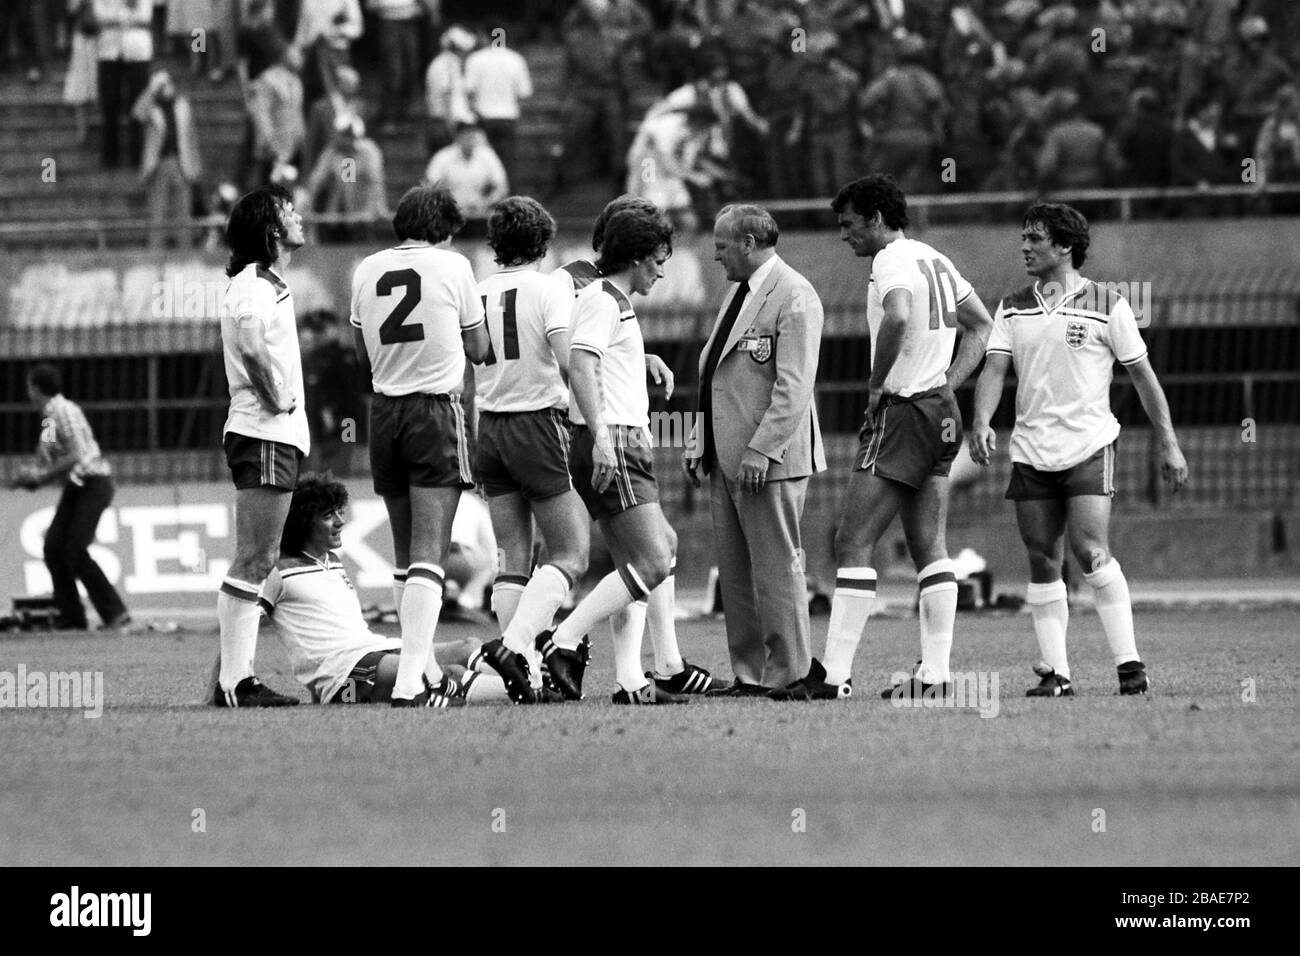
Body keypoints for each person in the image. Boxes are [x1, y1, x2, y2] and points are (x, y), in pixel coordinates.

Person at [771, 174, 994, 702]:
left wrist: (877, 385)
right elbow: (982, 325)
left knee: (852, 540)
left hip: (903, 411)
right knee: (929, 545)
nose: (843, 234)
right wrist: (948, 383)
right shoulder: (936, 258)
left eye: (849, 224)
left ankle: (834, 676)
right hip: (939, 410)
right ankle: (936, 674)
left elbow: (896, 316)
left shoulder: (890, 260)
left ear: (876, 218)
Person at [969, 203, 1189, 698]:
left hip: (1089, 445)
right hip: (1030, 451)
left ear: (1065, 246)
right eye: (1024, 237)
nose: (1025, 246)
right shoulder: (1012, 306)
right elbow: (994, 370)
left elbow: (1144, 378)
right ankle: (1056, 674)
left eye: (1035, 238)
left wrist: (1169, 443)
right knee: (1042, 558)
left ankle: (1129, 665)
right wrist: (981, 421)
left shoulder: (1109, 304)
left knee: (1090, 550)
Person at [551, 195, 711, 699]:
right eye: (659, 261)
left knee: (654, 552)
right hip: (615, 440)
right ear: (639, 257)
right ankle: (563, 640)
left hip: (621, 438)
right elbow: (580, 365)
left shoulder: (610, 300)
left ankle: (634, 677)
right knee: (653, 562)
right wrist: (602, 438)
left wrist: (642, 359)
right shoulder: (603, 298)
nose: (661, 272)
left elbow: (599, 359)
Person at [349, 185, 499, 707]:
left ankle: (425, 664)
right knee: (430, 551)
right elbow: (479, 348)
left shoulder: (366, 268)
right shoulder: (454, 266)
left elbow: (362, 354)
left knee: (404, 551)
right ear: (443, 229)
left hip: (384, 413)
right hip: (435, 412)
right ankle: (412, 678)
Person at [682, 204, 825, 697]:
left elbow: (794, 386)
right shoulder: (737, 292)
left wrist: (762, 449)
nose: (716, 256)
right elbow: (715, 374)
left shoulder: (795, 294)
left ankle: (791, 672)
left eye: (722, 247)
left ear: (748, 243)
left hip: (768, 461)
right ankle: (750, 673)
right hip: (726, 457)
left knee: (777, 569)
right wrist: (699, 439)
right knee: (737, 574)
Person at [472, 196, 589, 701]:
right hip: (537, 425)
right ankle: (516, 648)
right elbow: (569, 361)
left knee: (512, 557)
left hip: (490, 427)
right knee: (572, 552)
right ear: (544, 243)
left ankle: (522, 675)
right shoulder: (548, 289)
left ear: (496, 244)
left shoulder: (477, 291)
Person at [260, 472, 508, 705]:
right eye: (327, 516)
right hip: (345, 678)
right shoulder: (277, 571)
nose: (340, 521)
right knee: (447, 674)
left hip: (375, 647)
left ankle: (524, 681)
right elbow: (245, 616)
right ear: (303, 523)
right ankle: (525, 693)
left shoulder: (331, 561)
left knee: (468, 646)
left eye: (339, 511)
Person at [213, 183, 309, 707]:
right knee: (256, 558)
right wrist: (275, 397)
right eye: (288, 210)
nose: (298, 215)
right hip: (264, 431)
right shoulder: (255, 285)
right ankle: (236, 682)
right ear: (271, 229)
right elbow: (250, 345)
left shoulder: (264, 283)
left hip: (269, 434)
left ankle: (230, 679)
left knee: (258, 558)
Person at [12, 364, 130, 632]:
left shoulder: (63, 412)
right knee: (54, 548)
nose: (28, 392)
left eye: (29, 386)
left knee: (75, 549)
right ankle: (72, 618)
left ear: (36, 388)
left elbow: (77, 455)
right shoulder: (49, 417)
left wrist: (41, 476)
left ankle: (116, 614)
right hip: (77, 486)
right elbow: (49, 458)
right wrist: (32, 476)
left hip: (93, 483)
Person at [131, 67, 202, 250]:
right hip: (159, 163)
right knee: (158, 212)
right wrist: (151, 90)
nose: (166, 88)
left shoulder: (183, 106)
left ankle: (184, 250)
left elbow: (192, 137)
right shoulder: (152, 107)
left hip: (181, 161)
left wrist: (196, 165)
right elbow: (137, 113)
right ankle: (155, 250)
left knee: (184, 211)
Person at [462, 30, 533, 177]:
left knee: (483, 164)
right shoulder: (515, 59)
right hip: (508, 117)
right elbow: (524, 92)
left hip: (483, 118)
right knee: (506, 165)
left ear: (484, 36)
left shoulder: (475, 59)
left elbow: (469, 91)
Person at [94, 0, 154, 169]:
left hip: (137, 50)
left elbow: (145, 16)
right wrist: (124, 16)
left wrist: (115, 18)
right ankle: (110, 155)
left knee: (138, 103)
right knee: (110, 103)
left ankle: (138, 154)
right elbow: (99, 14)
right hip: (108, 50)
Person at [423, 117, 508, 222]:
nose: (469, 138)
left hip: (479, 214)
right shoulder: (442, 157)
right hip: (448, 215)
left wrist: (485, 203)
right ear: (457, 136)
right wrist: (448, 204)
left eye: (472, 133)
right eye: (465, 134)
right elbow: (430, 186)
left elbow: (501, 188)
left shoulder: (488, 156)